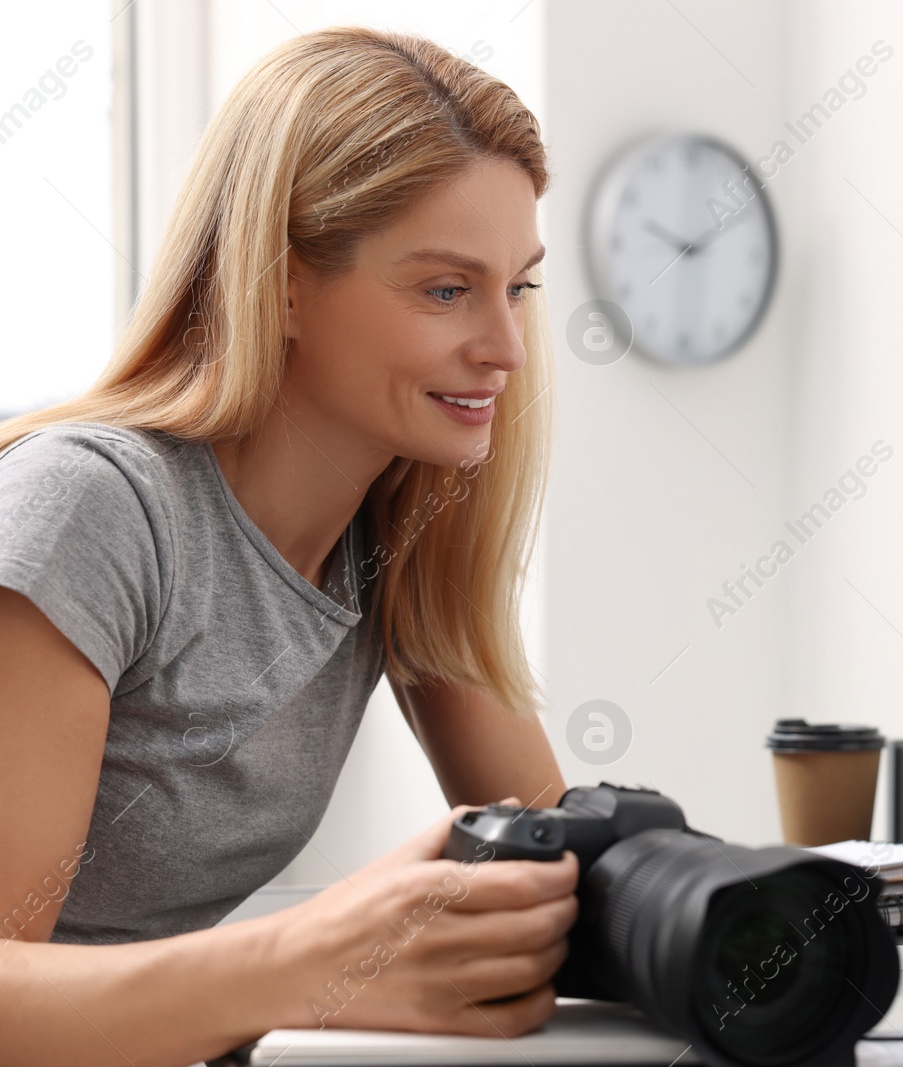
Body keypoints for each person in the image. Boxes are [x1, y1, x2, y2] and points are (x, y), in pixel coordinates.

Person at [0, 27, 579, 1066]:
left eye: (519, 287)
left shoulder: (399, 540)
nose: (503, 346)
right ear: (283, 284)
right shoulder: (94, 509)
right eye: (446, 289)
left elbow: (559, 854)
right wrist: (305, 962)